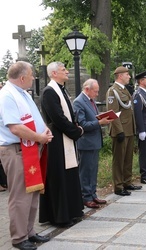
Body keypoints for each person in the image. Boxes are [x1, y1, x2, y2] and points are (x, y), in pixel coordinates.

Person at [0, 61, 53, 250]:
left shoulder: (22, 94)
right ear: (22, 78)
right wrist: (39, 136)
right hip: (16, 150)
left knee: (32, 194)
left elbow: (34, 118)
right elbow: (15, 127)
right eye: (31, 75)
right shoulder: (7, 95)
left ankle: (29, 232)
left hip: (29, 149)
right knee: (20, 196)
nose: (33, 77)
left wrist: (44, 130)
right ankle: (18, 237)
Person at [39, 62, 84, 227]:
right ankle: (59, 216)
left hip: (66, 138)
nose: (67, 71)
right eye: (63, 69)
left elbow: (70, 114)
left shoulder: (62, 90)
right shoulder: (49, 92)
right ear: (53, 73)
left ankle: (72, 212)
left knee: (69, 176)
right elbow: (58, 118)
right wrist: (76, 131)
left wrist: (75, 126)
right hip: (57, 140)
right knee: (59, 178)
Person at [73, 79, 113, 208]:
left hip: (94, 141)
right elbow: (82, 124)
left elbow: (93, 117)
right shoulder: (79, 102)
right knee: (85, 171)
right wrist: (99, 123)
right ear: (87, 89)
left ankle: (93, 194)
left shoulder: (91, 101)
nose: (97, 94)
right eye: (95, 91)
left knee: (93, 169)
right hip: (86, 142)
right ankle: (86, 196)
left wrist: (102, 117)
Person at [106, 66, 141, 196]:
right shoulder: (112, 91)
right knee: (119, 159)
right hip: (120, 130)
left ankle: (127, 181)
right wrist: (119, 130)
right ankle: (118, 186)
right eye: (127, 74)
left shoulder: (124, 90)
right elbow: (113, 113)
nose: (129, 76)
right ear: (120, 76)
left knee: (128, 158)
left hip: (129, 129)